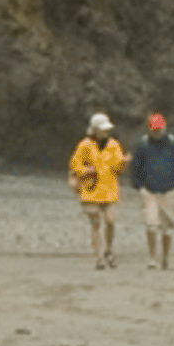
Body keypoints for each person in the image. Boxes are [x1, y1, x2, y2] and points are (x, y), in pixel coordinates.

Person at [128, 113, 174, 271]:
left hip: (170, 190)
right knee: (151, 224)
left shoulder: (173, 143)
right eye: (154, 129)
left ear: (164, 127)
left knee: (168, 225)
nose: (157, 132)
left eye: (159, 129)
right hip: (149, 190)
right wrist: (139, 186)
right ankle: (151, 257)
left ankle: (166, 258)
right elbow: (136, 167)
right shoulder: (142, 144)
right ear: (149, 129)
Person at [67, 113, 127, 270]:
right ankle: (99, 257)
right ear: (94, 130)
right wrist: (86, 170)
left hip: (109, 190)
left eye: (106, 129)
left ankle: (109, 249)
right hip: (90, 190)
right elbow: (74, 164)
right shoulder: (85, 145)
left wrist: (123, 163)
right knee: (95, 224)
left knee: (111, 221)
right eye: (102, 129)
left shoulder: (114, 145)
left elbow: (117, 168)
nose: (105, 132)